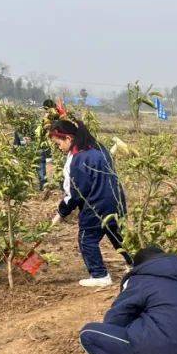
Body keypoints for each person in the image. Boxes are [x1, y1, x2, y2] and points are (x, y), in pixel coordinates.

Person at [48, 118, 130, 287]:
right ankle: (137, 264)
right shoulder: (98, 148)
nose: (59, 148)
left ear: (68, 139)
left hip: (96, 203)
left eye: (58, 144)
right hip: (116, 200)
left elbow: (76, 192)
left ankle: (100, 275)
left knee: (87, 238)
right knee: (117, 234)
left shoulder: (77, 159)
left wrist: (62, 212)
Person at [35, 99, 62, 189]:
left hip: (51, 142)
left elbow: (46, 128)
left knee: (42, 161)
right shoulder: (56, 115)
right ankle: (48, 185)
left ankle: (44, 185)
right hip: (51, 142)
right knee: (59, 163)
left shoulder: (53, 116)